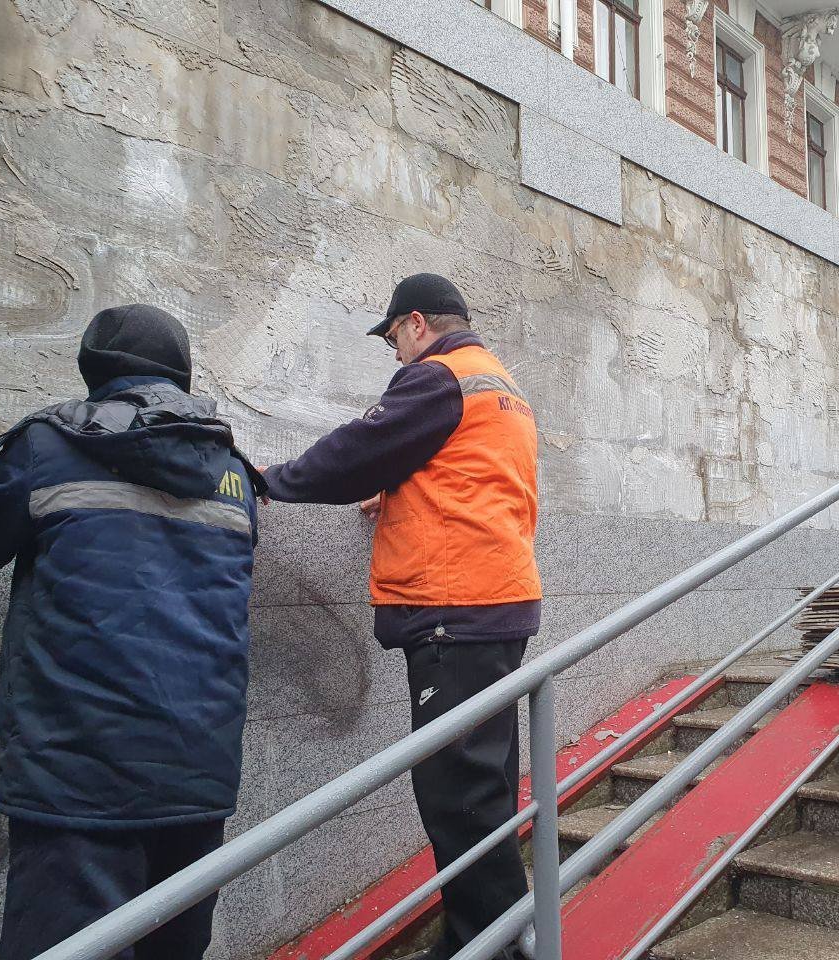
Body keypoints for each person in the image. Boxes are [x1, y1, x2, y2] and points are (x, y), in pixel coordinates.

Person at [0, 305, 265, 960]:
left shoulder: (48, 447)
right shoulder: (234, 476)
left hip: (77, 782)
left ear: (94, 372)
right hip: (199, 777)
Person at [263, 274, 541, 960]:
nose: (393, 353)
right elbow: (466, 478)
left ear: (417, 323)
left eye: (392, 337)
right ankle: (479, 938)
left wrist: (268, 481)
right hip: (496, 604)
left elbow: (359, 452)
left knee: (460, 799)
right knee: (483, 789)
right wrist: (398, 494)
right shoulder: (497, 382)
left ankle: (495, 947)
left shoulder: (436, 377)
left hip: (456, 611)